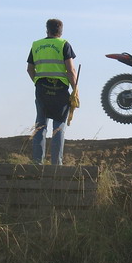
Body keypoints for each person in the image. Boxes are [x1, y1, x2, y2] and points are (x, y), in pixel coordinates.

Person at [27, 18, 78, 165]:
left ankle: (37, 163)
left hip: (42, 89)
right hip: (60, 90)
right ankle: (57, 164)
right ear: (61, 31)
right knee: (59, 126)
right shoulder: (64, 44)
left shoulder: (36, 45)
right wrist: (75, 90)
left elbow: (29, 69)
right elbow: (71, 70)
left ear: (47, 30)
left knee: (40, 125)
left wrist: (37, 82)